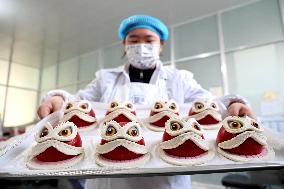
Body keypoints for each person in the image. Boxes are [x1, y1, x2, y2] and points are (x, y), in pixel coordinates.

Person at [38, 15, 255, 189]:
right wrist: (58, 98)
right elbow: (79, 103)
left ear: (160, 45)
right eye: (134, 40)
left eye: (149, 40)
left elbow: (209, 103)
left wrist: (233, 104)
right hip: (108, 178)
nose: (141, 45)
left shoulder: (180, 79)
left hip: (166, 177)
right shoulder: (105, 78)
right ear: (124, 44)